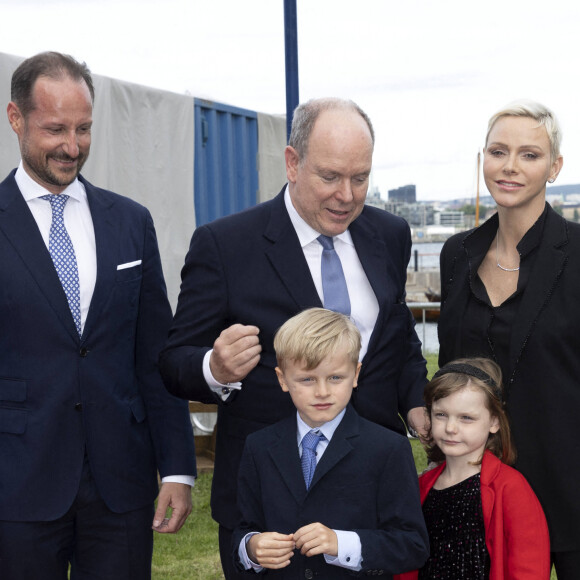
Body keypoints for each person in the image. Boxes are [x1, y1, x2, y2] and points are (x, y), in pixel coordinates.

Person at [159, 97, 428, 577]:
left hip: (372, 502)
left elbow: (399, 338)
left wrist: (415, 404)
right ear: (292, 163)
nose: (347, 195)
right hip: (269, 508)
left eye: (360, 178)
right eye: (330, 177)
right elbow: (175, 360)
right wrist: (215, 368)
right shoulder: (225, 245)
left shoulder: (389, 234)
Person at [0, 51, 196, 579]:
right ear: (15, 119)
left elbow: (156, 353)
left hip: (121, 487)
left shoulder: (131, 222)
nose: (72, 146)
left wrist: (178, 467)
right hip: (15, 487)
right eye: (56, 129)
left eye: (84, 129)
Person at [437, 99, 579, 578]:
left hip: (570, 485)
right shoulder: (457, 253)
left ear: (554, 166)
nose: (510, 167)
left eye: (530, 154)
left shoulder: (577, 253)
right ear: (483, 160)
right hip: (481, 490)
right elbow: (453, 370)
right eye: (498, 152)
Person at [233, 308, 429, 578]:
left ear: (356, 374)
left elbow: (413, 545)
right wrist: (251, 548)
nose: (322, 391)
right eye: (307, 379)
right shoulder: (259, 447)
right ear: (282, 379)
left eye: (336, 377)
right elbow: (244, 527)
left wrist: (343, 544)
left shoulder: (388, 449)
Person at [397, 358, 550, 580]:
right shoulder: (421, 487)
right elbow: (406, 558)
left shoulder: (511, 488)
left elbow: (529, 568)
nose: (450, 428)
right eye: (441, 414)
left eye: (466, 418)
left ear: (494, 422)